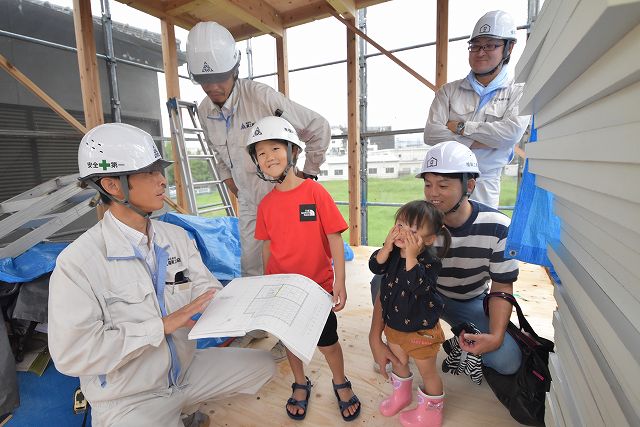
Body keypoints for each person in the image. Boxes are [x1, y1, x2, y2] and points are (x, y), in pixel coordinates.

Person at [48, 123, 276, 427]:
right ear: (114, 186)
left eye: (160, 171)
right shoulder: (78, 263)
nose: (162, 181)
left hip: (184, 372)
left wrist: (242, 308)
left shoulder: (176, 236)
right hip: (129, 396)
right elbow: (72, 355)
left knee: (263, 365)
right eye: (149, 173)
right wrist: (163, 326)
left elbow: (206, 289)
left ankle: (179, 409)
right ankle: (167, 413)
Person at [370, 141, 521, 388]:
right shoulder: (417, 221)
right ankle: (397, 344)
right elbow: (388, 277)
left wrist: (495, 336)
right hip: (418, 295)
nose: (432, 194)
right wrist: (374, 337)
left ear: (469, 186)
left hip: (467, 301)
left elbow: (502, 287)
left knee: (507, 361)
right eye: (428, 184)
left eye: (443, 185)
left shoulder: (498, 227)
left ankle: (452, 339)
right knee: (380, 278)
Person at [187, 21, 331, 277]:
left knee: (292, 263)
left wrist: (308, 175)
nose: (213, 87)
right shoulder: (204, 111)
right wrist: (231, 181)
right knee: (252, 267)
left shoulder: (261, 97)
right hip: (249, 201)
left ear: (234, 69)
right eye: (204, 81)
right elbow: (218, 153)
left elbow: (318, 127)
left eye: (219, 78)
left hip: (283, 197)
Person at [250, 116, 361, 422]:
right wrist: (265, 285)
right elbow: (267, 246)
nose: (269, 156)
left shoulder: (315, 193)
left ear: (293, 151)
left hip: (317, 288)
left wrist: (340, 281)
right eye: (261, 153)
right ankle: (300, 382)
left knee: (328, 343)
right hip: (284, 290)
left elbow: (334, 239)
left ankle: (340, 381)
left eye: (275, 148)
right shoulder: (266, 205)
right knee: (291, 342)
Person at [424, 10, 530, 208]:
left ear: (509, 48)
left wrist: (460, 127)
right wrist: (486, 140)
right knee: (439, 236)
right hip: (444, 182)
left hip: (486, 183)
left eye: (490, 45)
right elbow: (430, 135)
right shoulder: (448, 91)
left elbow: (510, 134)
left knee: (481, 234)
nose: (481, 52)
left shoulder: (519, 91)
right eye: (475, 46)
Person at [369, 200, 451, 427]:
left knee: (428, 373)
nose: (403, 232)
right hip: (394, 325)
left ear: (429, 239)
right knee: (399, 362)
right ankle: (401, 395)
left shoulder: (430, 262)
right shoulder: (393, 252)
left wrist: (411, 257)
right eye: (400, 224)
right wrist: (386, 247)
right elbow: (376, 267)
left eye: (413, 230)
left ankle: (431, 413)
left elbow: (418, 285)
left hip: (421, 331)